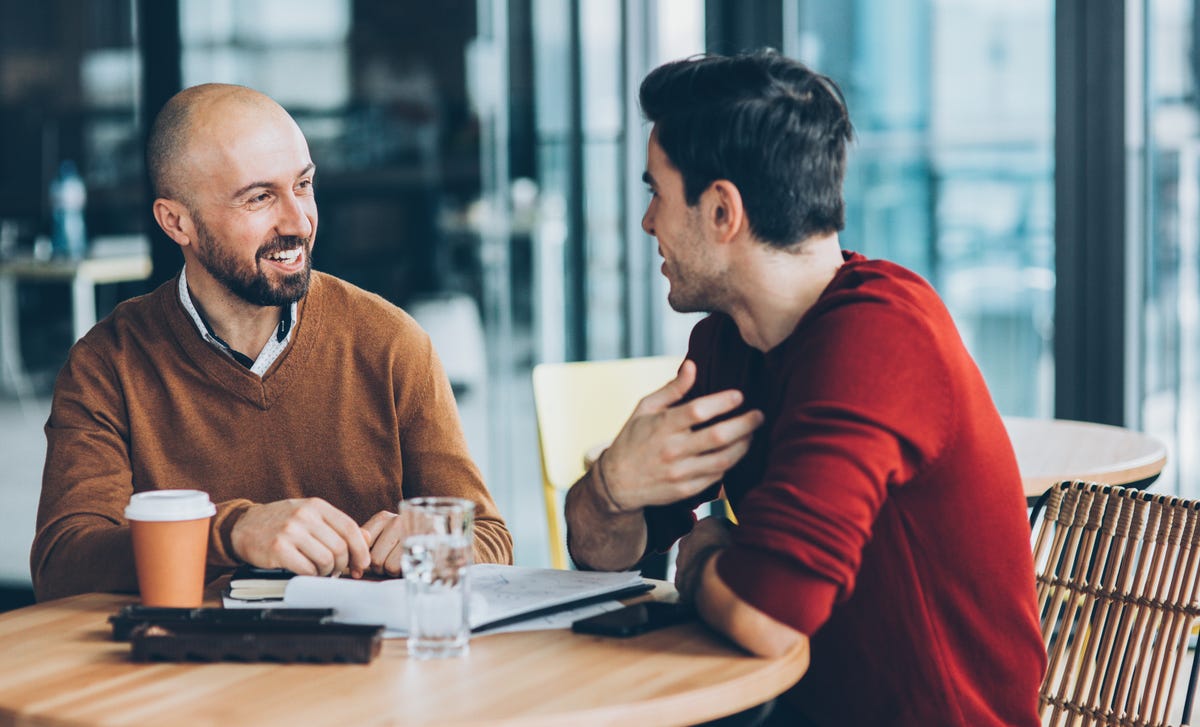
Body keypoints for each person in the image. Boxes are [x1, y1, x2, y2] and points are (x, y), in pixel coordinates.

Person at [564, 51, 1045, 726]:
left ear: (722, 211)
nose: (648, 223)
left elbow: (770, 616)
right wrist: (613, 488)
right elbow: (604, 554)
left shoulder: (881, 338)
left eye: (657, 194)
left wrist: (700, 560)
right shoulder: (728, 340)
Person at [31, 84, 512, 601]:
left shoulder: (391, 343)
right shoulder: (108, 364)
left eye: (303, 185)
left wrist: (433, 539)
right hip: (188, 674)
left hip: (363, 671)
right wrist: (231, 533)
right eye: (259, 197)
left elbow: (488, 539)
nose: (299, 221)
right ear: (177, 222)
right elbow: (64, 562)